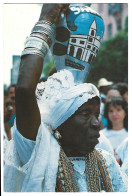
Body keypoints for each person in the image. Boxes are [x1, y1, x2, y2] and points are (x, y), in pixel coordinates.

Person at [4, 4, 127, 192]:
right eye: (85, 114)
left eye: (96, 114)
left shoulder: (107, 162)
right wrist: (46, 20)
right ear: (59, 122)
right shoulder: (38, 152)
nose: (97, 124)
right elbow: (24, 90)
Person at [101, 96, 128, 165]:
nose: (114, 114)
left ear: (125, 112)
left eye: (118, 110)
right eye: (111, 111)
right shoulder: (101, 136)